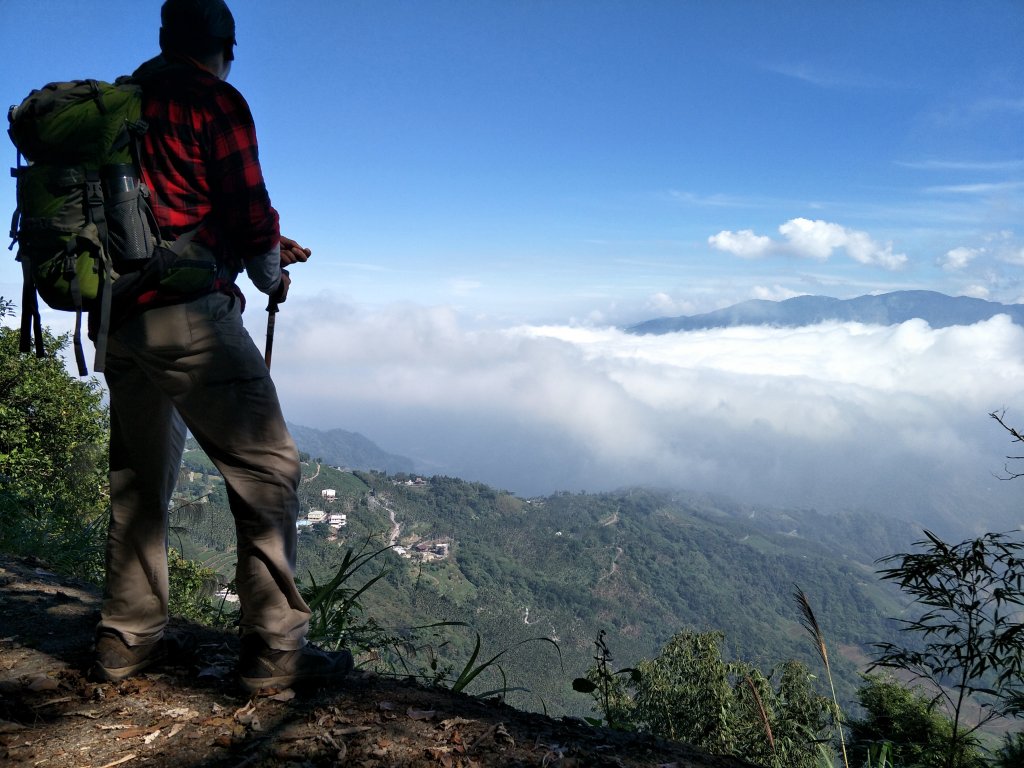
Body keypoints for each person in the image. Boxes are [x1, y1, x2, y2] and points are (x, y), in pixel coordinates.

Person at [91, 0, 352, 692]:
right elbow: (246, 203)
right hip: (188, 320)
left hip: (117, 316)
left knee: (138, 482)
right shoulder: (215, 101)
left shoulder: (122, 103)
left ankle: (126, 638)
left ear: (165, 41)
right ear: (224, 48)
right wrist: (270, 267)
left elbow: (164, 211)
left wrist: (255, 242)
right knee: (268, 471)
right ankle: (275, 653)